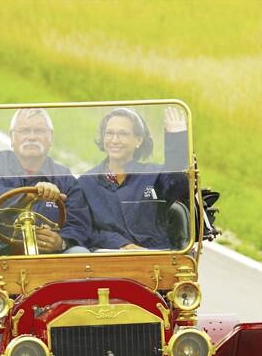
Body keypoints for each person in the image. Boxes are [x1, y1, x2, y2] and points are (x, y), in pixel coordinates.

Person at [0, 108, 90, 315]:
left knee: (81, 256)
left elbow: (80, 223)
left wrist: (61, 242)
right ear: (12, 138)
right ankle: (0, 336)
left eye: (39, 131)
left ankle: (72, 326)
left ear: (50, 138)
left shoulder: (64, 177)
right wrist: (30, 195)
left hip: (51, 257)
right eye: (25, 131)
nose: (32, 137)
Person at [79, 107, 189, 250]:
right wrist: (123, 245)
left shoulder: (153, 174)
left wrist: (176, 140)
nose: (114, 140)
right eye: (109, 133)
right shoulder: (86, 182)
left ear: (138, 140)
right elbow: (84, 229)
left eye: (123, 134)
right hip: (107, 260)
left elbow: (178, 186)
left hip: (155, 259)